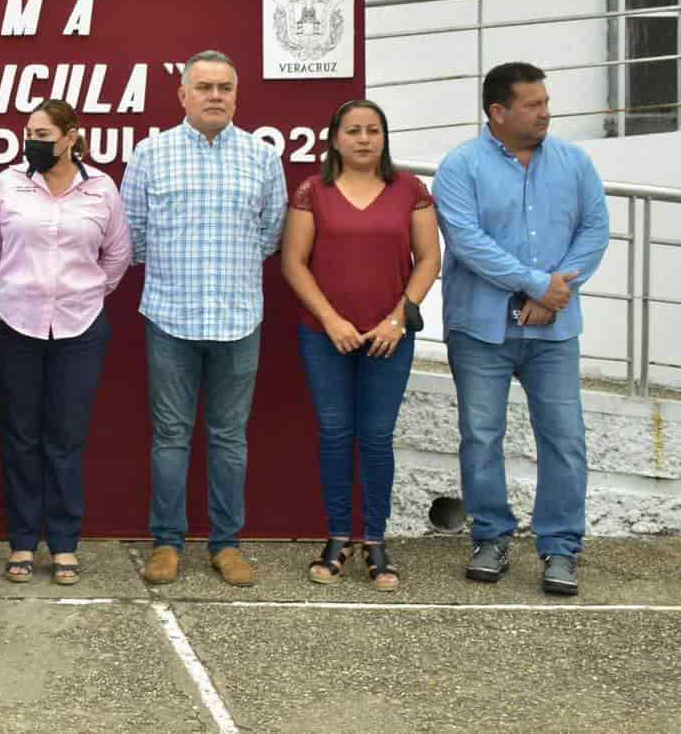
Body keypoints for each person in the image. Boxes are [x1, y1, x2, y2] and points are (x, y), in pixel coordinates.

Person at [432, 62, 609, 596]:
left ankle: (560, 548)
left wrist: (557, 294)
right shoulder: (460, 166)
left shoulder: (575, 162)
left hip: (554, 331)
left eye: (546, 101)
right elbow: (467, 240)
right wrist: (537, 284)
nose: (546, 112)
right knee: (482, 437)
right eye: (533, 104)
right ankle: (491, 537)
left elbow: (595, 230)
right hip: (481, 329)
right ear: (498, 112)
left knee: (565, 440)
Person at [120, 50, 286, 588]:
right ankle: (167, 541)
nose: (216, 96)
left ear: (237, 95)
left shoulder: (262, 158)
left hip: (239, 320)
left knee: (229, 438)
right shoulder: (151, 154)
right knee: (170, 436)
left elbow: (270, 235)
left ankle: (226, 543)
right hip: (170, 316)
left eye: (226, 87)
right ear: (183, 95)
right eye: (205, 87)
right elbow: (133, 236)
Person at [280, 99, 440, 590]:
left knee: (375, 437)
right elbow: (293, 262)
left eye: (373, 130)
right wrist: (330, 320)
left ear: (384, 137)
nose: (365, 139)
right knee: (333, 434)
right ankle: (337, 538)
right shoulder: (313, 191)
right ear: (335, 139)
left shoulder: (409, 189)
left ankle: (375, 540)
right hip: (326, 336)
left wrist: (397, 319)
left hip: (389, 339)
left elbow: (430, 258)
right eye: (353, 131)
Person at [0, 99, 131, 586]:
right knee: (20, 437)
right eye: (28, 133)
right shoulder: (8, 182)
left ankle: (63, 544)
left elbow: (118, 256)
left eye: (43, 133)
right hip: (14, 325)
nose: (33, 142)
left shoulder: (101, 188)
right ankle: (22, 541)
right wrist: (19, 288)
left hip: (79, 327)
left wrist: (80, 291)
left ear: (70, 137)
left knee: (66, 439)